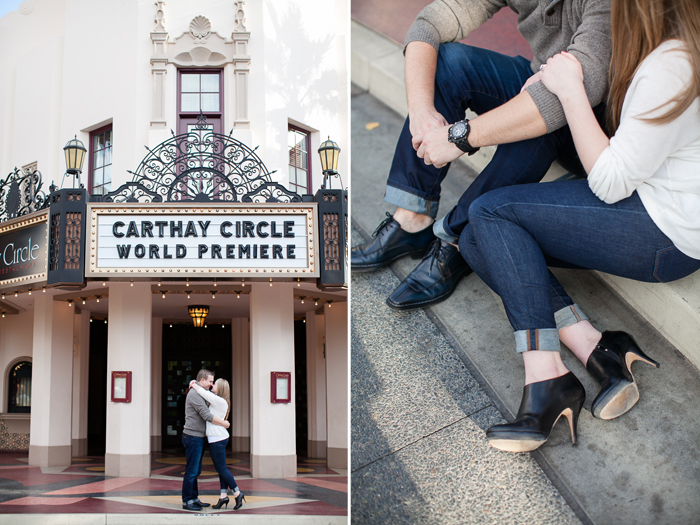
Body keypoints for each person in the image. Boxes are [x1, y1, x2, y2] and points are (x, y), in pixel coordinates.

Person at [457, 0, 700, 451]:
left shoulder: (670, 66)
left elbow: (609, 182)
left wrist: (568, 89)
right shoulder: (675, 52)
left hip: (663, 233)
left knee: (490, 213)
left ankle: (546, 376)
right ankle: (596, 347)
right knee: (476, 239)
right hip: (658, 208)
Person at [351, 0, 612, 311]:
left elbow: (584, 82)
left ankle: (457, 241)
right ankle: (413, 217)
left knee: (542, 118)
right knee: (450, 61)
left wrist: (459, 137)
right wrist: (421, 111)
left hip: (591, 124)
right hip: (538, 77)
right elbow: (431, 22)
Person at [189, 378, 246, 511]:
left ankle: (237, 492)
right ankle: (223, 496)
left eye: (214, 384)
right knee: (221, 468)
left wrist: (194, 385)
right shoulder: (218, 400)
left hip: (217, 439)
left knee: (222, 469)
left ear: (220, 388)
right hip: (217, 438)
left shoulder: (220, 401)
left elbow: (205, 394)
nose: (212, 385)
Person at [182, 369, 230, 511]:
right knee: (191, 471)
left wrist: (193, 383)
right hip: (192, 437)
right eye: (210, 381)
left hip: (199, 437)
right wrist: (224, 423)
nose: (211, 384)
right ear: (202, 380)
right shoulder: (194, 394)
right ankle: (187, 501)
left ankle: (194, 498)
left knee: (196, 471)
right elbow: (206, 415)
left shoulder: (201, 392)